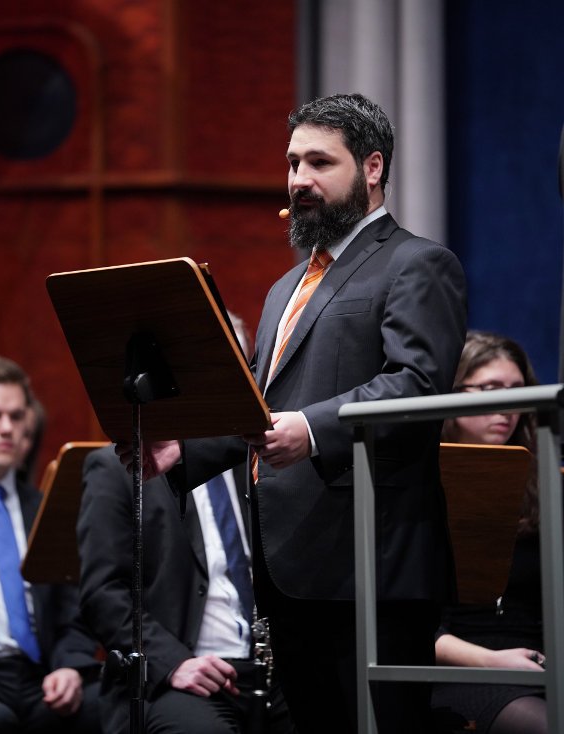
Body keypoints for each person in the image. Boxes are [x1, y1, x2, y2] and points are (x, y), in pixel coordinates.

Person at [117, 93, 468, 733]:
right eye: (291, 163)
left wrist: (312, 429)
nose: (298, 180)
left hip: (374, 562)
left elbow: (420, 385)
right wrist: (184, 451)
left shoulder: (418, 262)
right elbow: (260, 408)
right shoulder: (287, 286)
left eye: (318, 163)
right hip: (291, 563)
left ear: (371, 167)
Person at [77, 314, 295, 734]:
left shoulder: (261, 460)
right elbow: (102, 592)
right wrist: (173, 663)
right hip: (173, 678)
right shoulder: (116, 467)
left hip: (270, 672)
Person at [0, 355, 102, 734]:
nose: (6, 428)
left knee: (107, 703)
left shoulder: (43, 507)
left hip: (39, 672)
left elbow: (74, 604)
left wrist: (71, 666)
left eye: (17, 415)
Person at [432, 331, 546, 734]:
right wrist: (494, 660)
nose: (507, 406)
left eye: (517, 390)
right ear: (453, 392)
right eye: (490, 389)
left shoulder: (544, 478)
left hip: (540, 664)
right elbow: (406, 626)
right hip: (458, 669)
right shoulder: (420, 483)